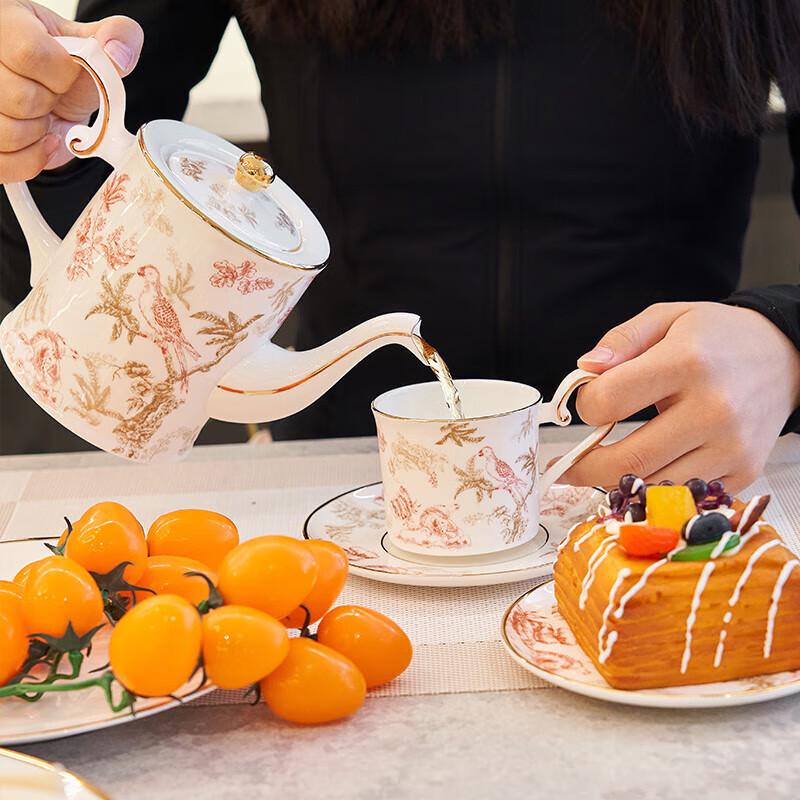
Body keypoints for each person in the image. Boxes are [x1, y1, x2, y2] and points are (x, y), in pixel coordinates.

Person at [1, 0, 800, 492]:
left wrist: (785, 341)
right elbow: (71, 172)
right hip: (332, 489)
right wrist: (26, 120)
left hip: (679, 475)